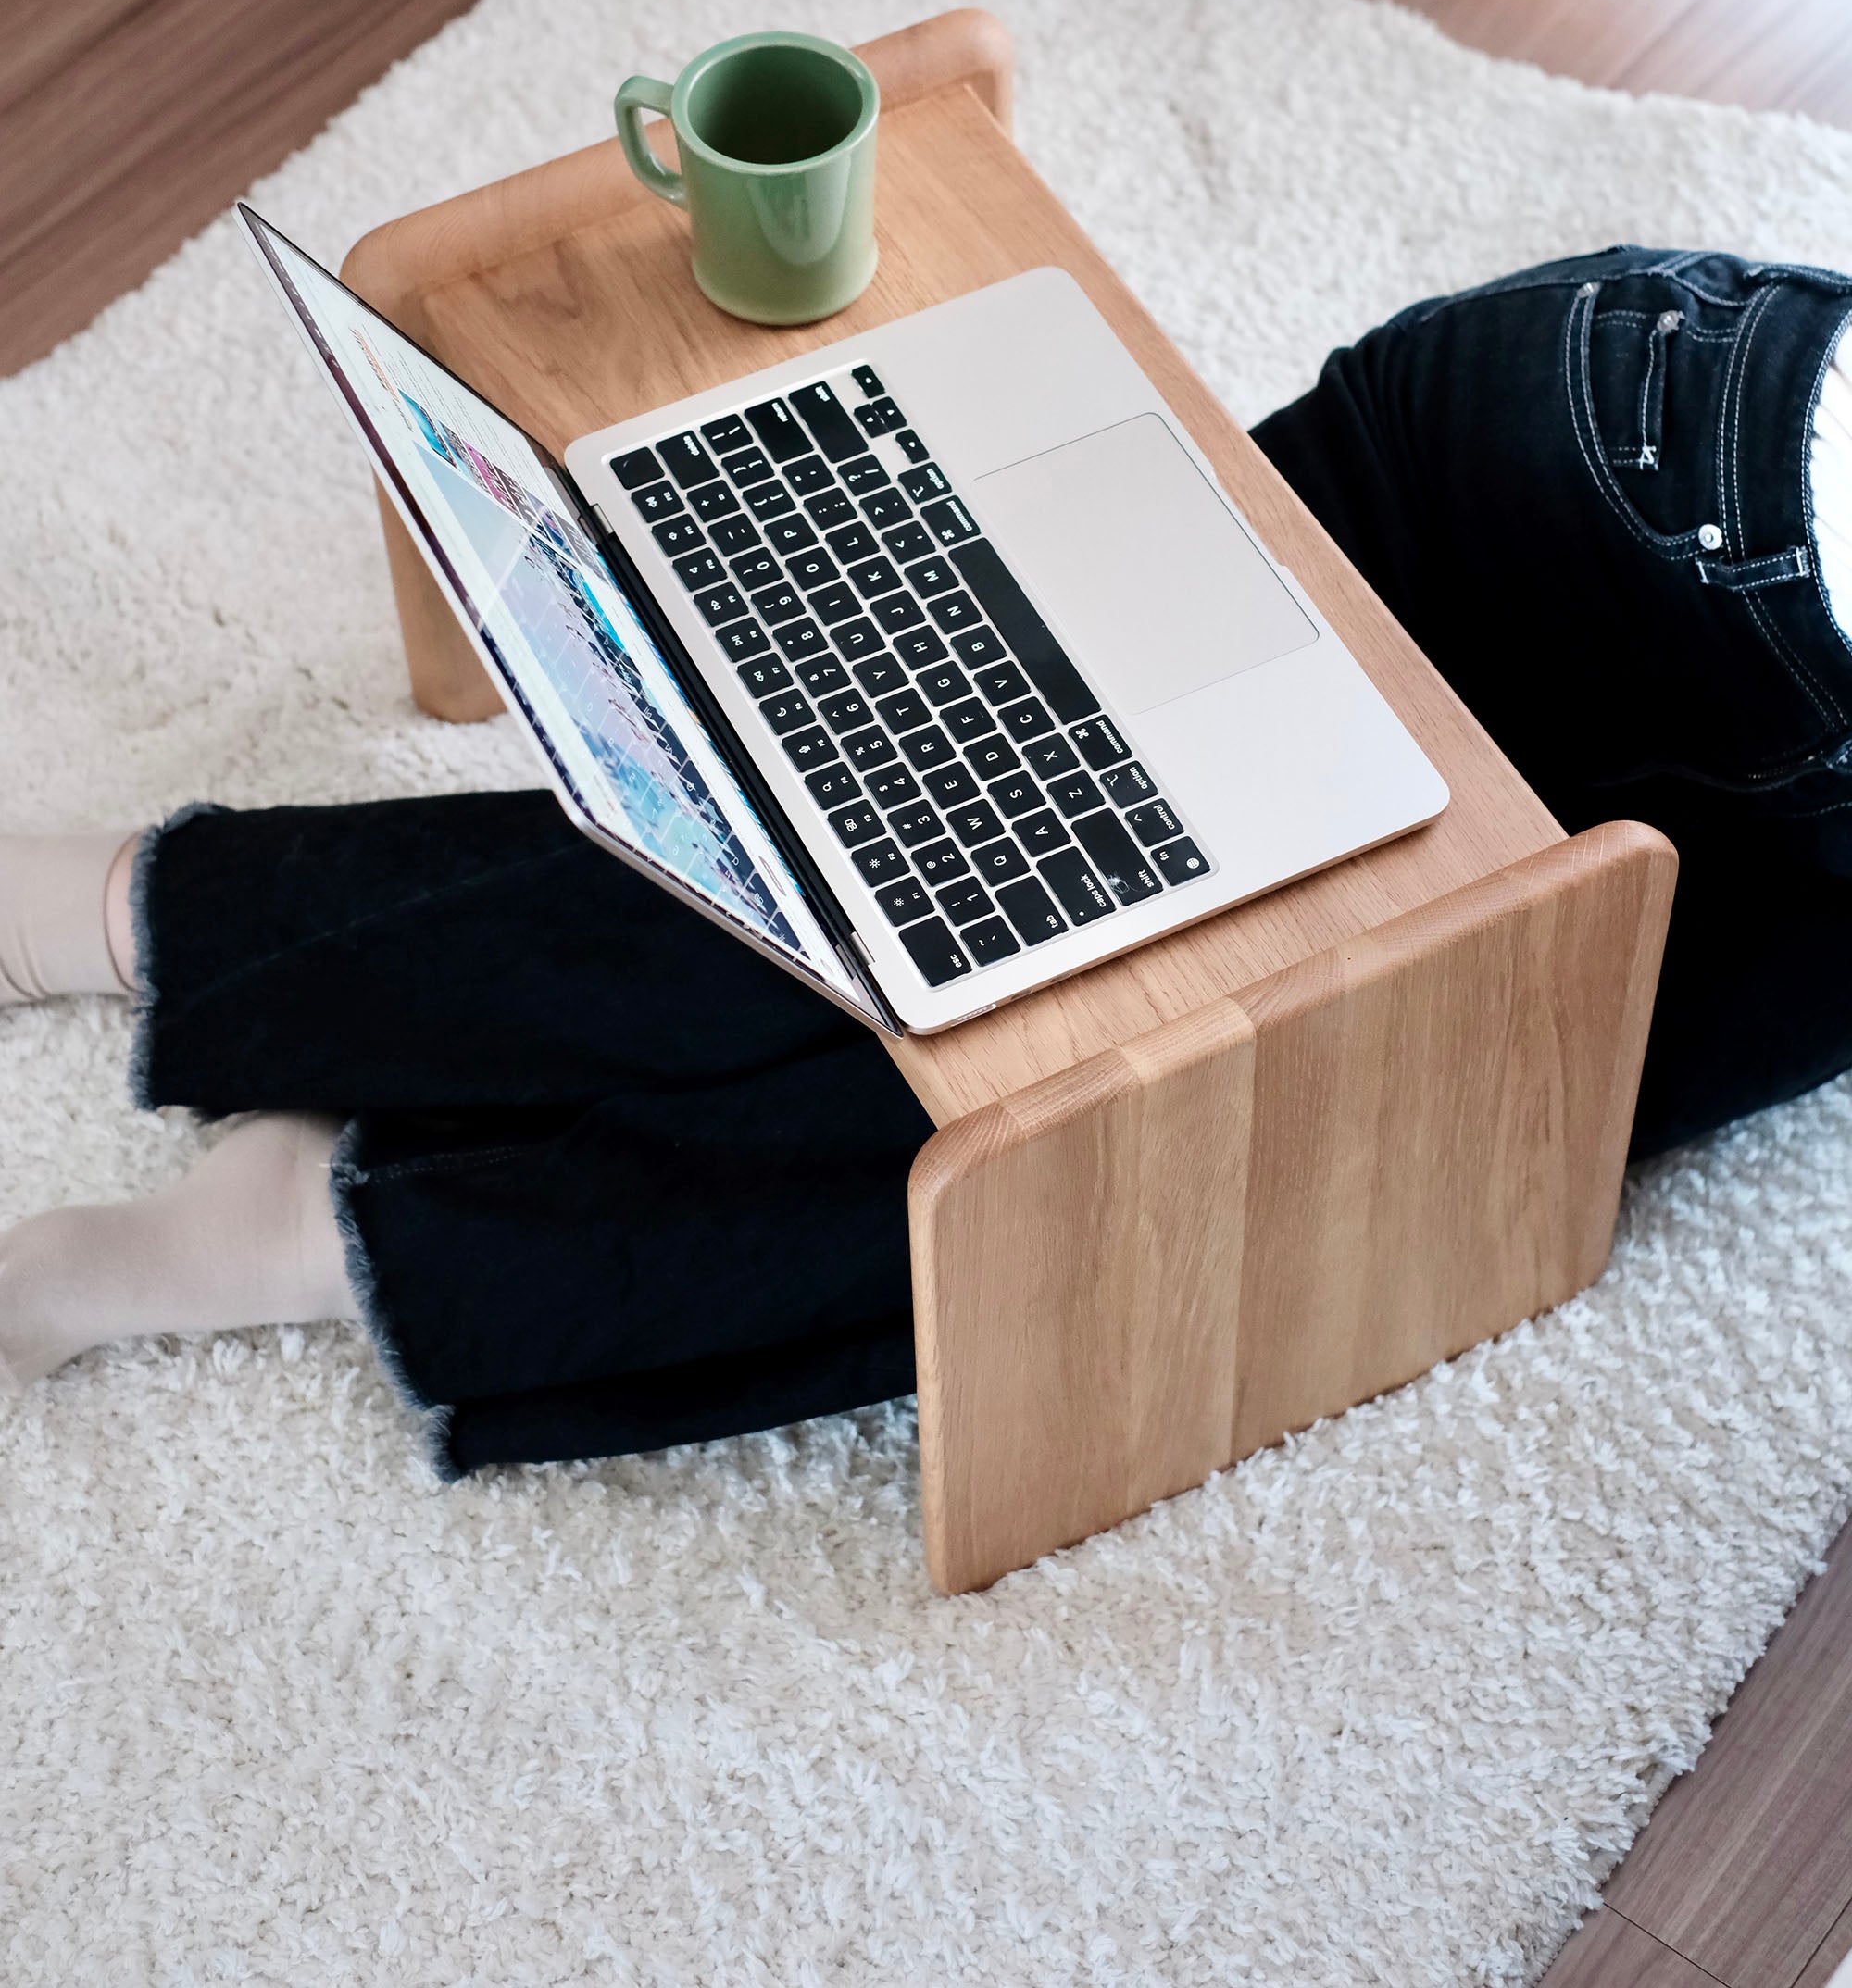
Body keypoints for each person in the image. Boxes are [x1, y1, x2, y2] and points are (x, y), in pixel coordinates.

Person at [6, 246, 1851, 1467]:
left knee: (962, 804)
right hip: (1761, 680)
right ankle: (332, 1228)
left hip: (1640, 372)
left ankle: (103, 909)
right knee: (1227, 1098)